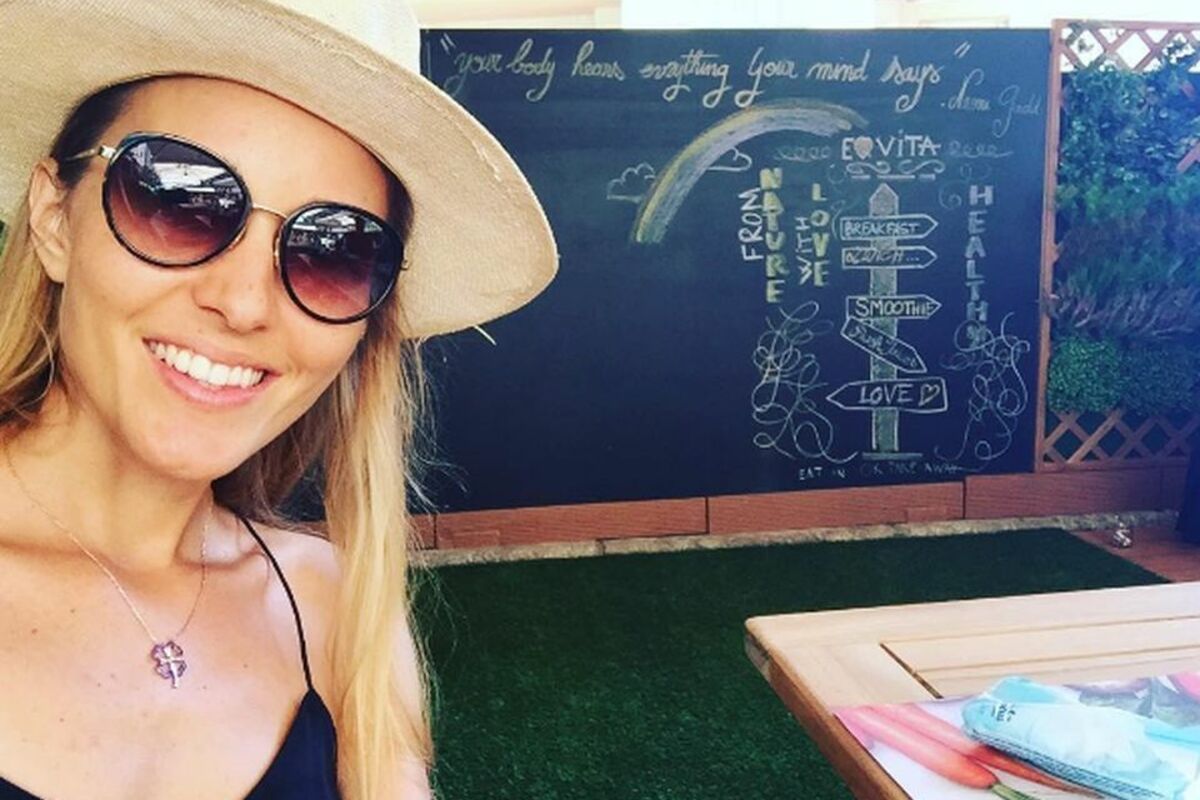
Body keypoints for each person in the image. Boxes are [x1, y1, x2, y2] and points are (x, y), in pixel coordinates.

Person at [0, 1, 557, 798]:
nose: (243, 302)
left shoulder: (339, 609)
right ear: (55, 220)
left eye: (335, 250)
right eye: (178, 200)